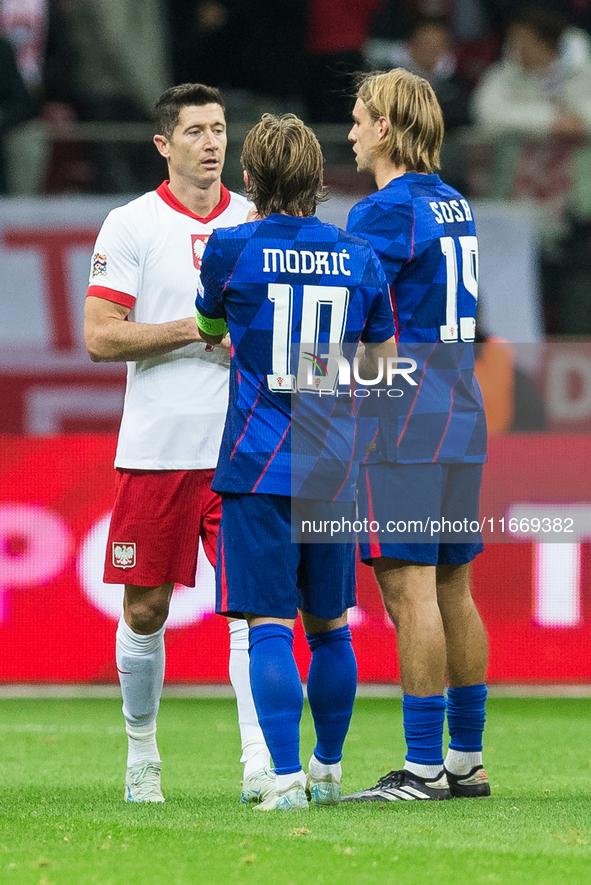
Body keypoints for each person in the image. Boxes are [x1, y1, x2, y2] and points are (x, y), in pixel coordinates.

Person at [195, 112, 396, 810]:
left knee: (268, 625)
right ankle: (328, 768)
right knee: (331, 623)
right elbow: (379, 363)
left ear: (249, 178)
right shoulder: (358, 257)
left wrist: (269, 358)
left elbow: (208, 325)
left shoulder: (228, 248)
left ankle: (282, 779)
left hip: (257, 462)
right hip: (332, 464)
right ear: (317, 179)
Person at [83, 83, 272, 804]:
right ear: (164, 144)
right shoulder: (131, 223)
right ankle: (142, 755)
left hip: (243, 448)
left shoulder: (258, 221)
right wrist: (197, 328)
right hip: (158, 447)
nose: (212, 142)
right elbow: (101, 335)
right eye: (194, 131)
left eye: (219, 128)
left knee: (252, 605)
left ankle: (260, 759)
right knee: (144, 610)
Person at [342, 68, 490, 802]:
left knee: (409, 593)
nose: (351, 131)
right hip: (461, 409)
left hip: (404, 416)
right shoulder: (453, 203)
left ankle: (423, 766)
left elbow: (348, 327)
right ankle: (465, 758)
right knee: (454, 588)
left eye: (361, 118)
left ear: (388, 129)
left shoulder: (380, 212)